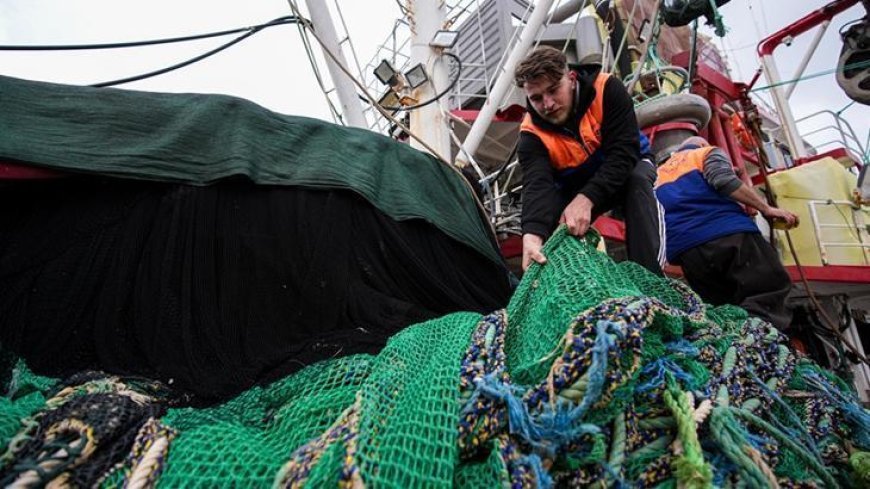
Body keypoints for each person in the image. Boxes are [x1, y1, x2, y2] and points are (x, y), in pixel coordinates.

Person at [514, 45, 664, 275]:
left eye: (554, 90)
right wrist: (532, 235)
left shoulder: (607, 89)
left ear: (571, 78)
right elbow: (537, 184)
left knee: (637, 182)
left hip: (628, 165)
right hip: (574, 184)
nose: (548, 104)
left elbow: (623, 153)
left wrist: (587, 198)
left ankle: (649, 277)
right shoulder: (530, 134)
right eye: (536, 98)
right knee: (551, 225)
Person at [655, 136, 799, 331]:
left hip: (688, 253)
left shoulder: (657, 174)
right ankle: (759, 340)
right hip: (728, 234)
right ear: (702, 144)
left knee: (720, 308)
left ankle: (731, 346)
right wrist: (766, 208)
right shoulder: (705, 153)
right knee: (768, 289)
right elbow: (723, 181)